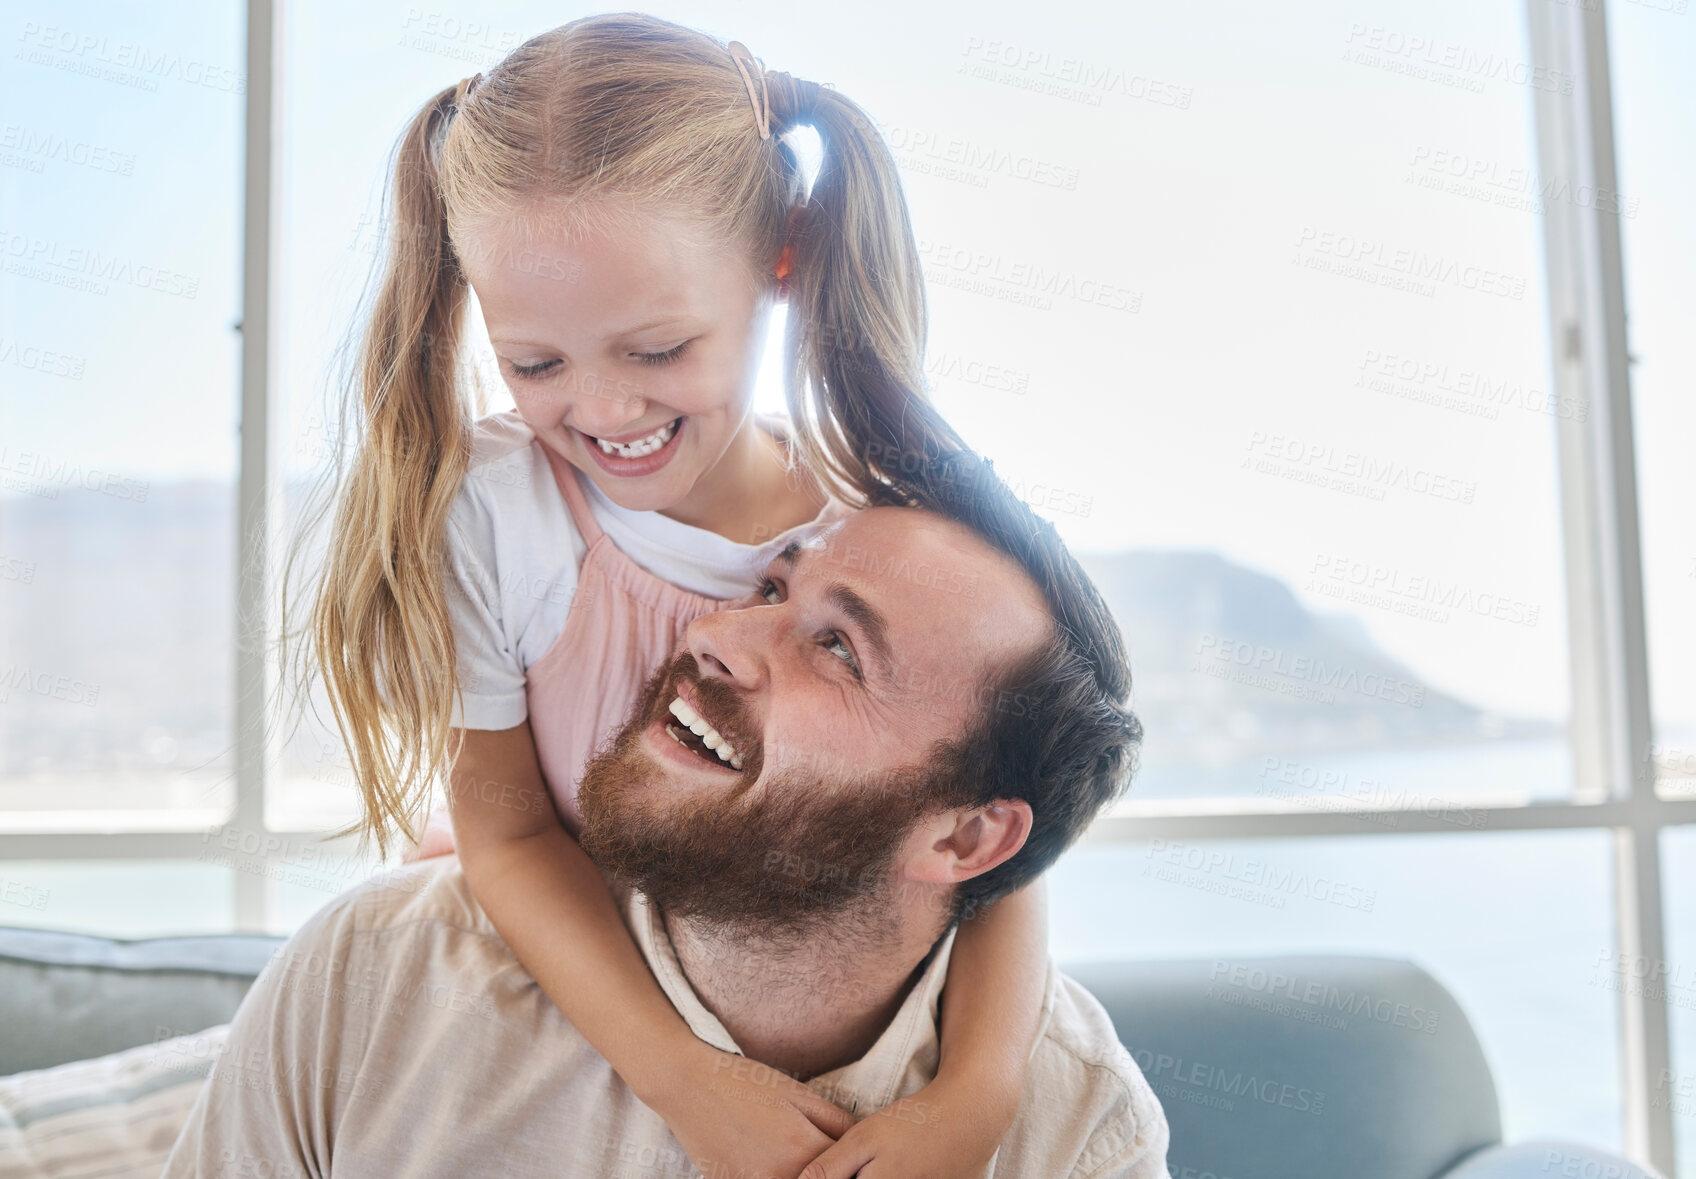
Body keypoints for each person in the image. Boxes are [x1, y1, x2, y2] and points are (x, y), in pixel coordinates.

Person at [279, 13, 1052, 1175]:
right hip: (580, 979)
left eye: (655, 351)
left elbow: (1001, 841)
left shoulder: (886, 541)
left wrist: (979, 1092)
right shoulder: (500, 511)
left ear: (780, 257)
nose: (603, 413)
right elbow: (506, 828)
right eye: (535, 364)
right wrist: (686, 1079)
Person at [172, 478, 1169, 1177]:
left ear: (962, 842)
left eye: (836, 648)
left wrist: (983, 1092)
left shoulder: (1077, 1129)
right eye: (772, 589)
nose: (713, 631)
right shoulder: (380, 976)